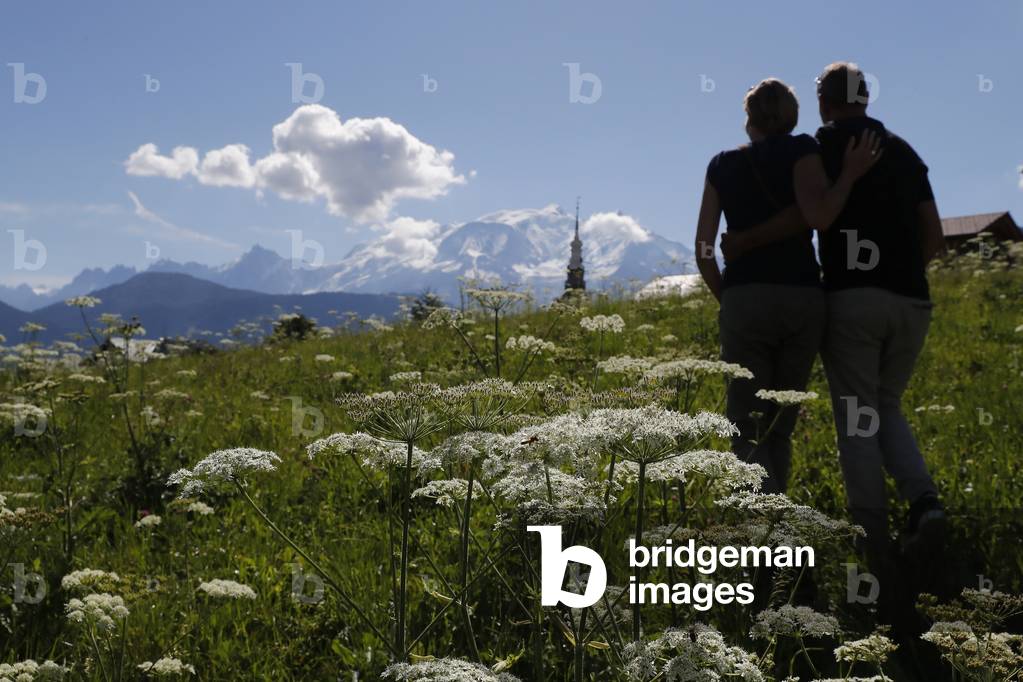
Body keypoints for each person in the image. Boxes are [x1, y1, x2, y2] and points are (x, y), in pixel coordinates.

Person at [726, 62, 947, 576]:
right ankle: (925, 504)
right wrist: (904, 274)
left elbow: (806, 212)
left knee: (856, 421)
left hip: (850, 300)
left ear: (824, 101)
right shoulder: (906, 152)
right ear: (867, 97)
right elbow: (934, 238)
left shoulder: (816, 147)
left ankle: (874, 547)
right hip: (912, 301)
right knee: (885, 406)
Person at [694, 78, 879, 494]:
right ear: (793, 116)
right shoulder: (802, 150)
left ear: (749, 119)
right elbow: (816, 215)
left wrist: (729, 297)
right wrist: (848, 176)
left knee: (745, 425)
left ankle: (764, 538)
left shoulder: (722, 165)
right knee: (779, 422)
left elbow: (704, 248)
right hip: (801, 297)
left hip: (744, 299)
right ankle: (782, 530)